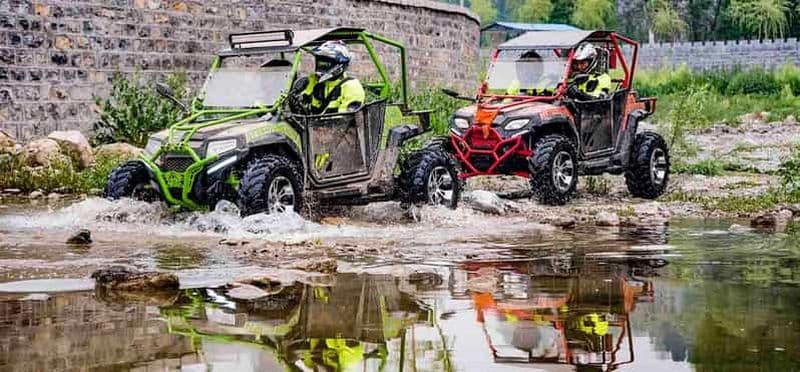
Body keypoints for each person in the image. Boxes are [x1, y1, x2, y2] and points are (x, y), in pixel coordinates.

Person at [294, 40, 365, 114]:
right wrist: (298, 98)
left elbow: (346, 117)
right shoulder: (314, 80)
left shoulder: (351, 86)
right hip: (309, 120)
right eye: (319, 62)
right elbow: (302, 103)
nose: (321, 67)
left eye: (326, 63)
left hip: (336, 121)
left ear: (340, 64)